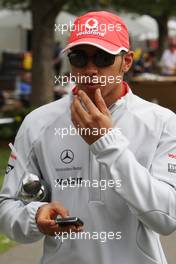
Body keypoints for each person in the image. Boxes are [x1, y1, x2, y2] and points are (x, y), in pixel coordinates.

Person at [0, 11, 176, 264]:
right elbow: (7, 208)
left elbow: (166, 219)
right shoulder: (38, 122)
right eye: (79, 57)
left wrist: (107, 143)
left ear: (126, 61)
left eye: (103, 58)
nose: (90, 69)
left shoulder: (163, 122)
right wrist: (35, 215)